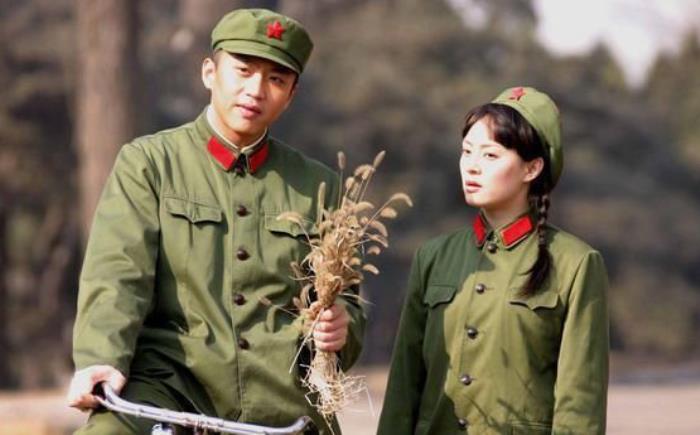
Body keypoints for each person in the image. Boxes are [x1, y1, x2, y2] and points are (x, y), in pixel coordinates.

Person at [66, 8, 365, 434]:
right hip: (167, 386)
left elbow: (347, 301)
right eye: (243, 71)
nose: (255, 90)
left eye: (276, 79)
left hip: (282, 401)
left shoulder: (321, 186)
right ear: (209, 72)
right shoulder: (149, 164)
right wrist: (102, 357)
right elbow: (117, 273)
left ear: (291, 94)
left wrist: (340, 328)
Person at [377, 87, 609, 434]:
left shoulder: (575, 264)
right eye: (466, 151)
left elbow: (580, 405)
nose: (471, 166)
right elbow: (403, 386)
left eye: (490, 155)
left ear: (532, 168)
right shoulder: (433, 257)